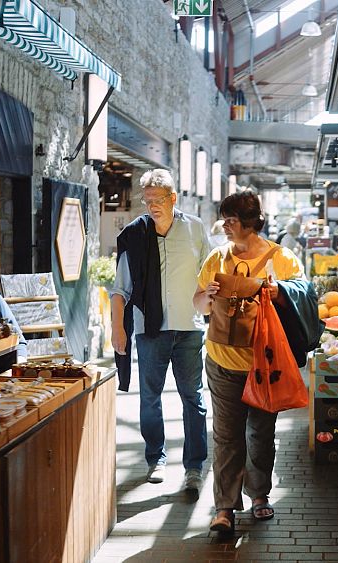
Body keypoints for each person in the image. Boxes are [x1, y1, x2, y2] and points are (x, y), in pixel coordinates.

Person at [194, 191, 311, 533]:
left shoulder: (282, 259)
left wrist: (281, 294)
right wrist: (209, 296)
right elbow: (198, 304)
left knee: (261, 431)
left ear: (249, 223)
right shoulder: (217, 259)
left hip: (265, 363)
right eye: (224, 220)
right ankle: (225, 506)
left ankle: (259, 494)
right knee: (227, 436)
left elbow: (304, 296)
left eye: (230, 221)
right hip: (221, 359)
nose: (225, 226)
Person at [111, 169, 211, 491]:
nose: (153, 206)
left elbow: (211, 276)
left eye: (159, 200)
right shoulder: (135, 235)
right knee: (150, 399)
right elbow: (120, 289)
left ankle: (193, 467)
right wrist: (118, 330)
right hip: (149, 329)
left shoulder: (195, 229)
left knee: (192, 398)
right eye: (148, 200)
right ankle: (156, 457)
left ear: (173, 199)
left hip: (189, 327)